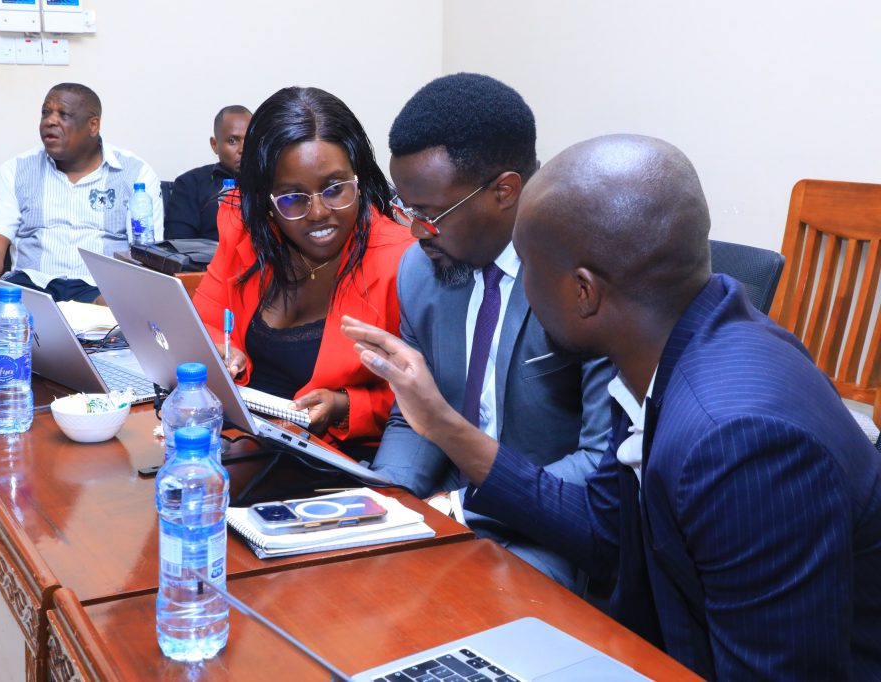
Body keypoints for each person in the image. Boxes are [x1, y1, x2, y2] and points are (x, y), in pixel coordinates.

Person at [342, 134, 881, 679]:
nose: (518, 285)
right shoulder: (666, 345)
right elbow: (605, 532)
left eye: (526, 266)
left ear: (584, 292)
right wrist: (441, 424)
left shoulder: (737, 441)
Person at [372, 73, 613, 589]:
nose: (415, 232)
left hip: (550, 533)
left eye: (431, 215)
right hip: (443, 509)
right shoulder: (420, 271)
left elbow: (600, 466)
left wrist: (462, 507)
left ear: (504, 191)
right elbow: (413, 418)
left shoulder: (583, 284)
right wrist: (385, 504)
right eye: (406, 209)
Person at [192, 86, 414, 448]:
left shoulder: (401, 261)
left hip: (337, 461)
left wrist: (345, 406)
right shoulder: (244, 230)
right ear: (265, 200)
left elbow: (428, 394)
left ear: (358, 179)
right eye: (293, 197)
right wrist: (222, 350)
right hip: (243, 438)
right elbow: (204, 322)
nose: (319, 212)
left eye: (335, 188)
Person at [0, 83, 163, 303]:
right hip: (32, 287)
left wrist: (119, 298)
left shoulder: (135, 174)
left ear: (93, 125)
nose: (50, 121)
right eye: (46, 113)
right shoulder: (15, 171)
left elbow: (146, 254)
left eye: (64, 114)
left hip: (101, 291)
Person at [164, 105, 252, 241]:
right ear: (214, 144)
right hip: (210, 254)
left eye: (250, 140)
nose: (243, 149)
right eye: (232, 141)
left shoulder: (270, 182)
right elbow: (178, 245)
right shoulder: (190, 184)